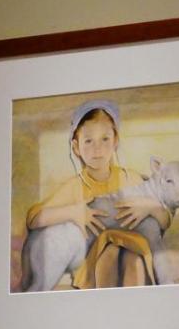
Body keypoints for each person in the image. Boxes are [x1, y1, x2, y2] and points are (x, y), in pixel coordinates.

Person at [22, 99, 169, 289]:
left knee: (133, 260)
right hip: (96, 261)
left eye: (105, 139)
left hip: (133, 254)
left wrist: (151, 208)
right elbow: (33, 218)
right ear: (76, 147)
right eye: (88, 141)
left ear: (115, 141)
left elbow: (164, 222)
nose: (97, 149)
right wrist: (74, 212)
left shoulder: (130, 178)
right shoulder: (76, 186)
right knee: (111, 254)